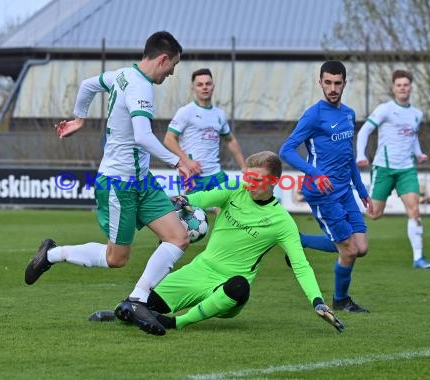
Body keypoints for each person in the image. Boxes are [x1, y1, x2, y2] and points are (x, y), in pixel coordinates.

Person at [24, 31, 194, 336]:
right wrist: (178, 162)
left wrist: (79, 117)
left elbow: (89, 85)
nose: (172, 73)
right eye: (173, 66)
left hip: (142, 180)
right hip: (119, 183)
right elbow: (142, 136)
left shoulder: (123, 75)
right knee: (117, 259)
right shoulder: (141, 87)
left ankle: (138, 300)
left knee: (178, 237)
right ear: (163, 58)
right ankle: (50, 254)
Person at [94, 151, 344, 334]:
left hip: (227, 288)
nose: (249, 184)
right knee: (138, 304)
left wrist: (317, 300)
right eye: (248, 178)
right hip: (199, 270)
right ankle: (116, 315)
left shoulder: (283, 222)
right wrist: (184, 199)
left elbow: (301, 265)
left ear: (273, 182)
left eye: (256, 180)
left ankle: (177, 322)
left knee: (240, 286)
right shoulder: (235, 190)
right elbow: (203, 197)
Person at [279, 60, 373, 313]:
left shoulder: (349, 114)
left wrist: (362, 191)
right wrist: (315, 173)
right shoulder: (314, 114)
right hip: (322, 193)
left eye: (337, 83)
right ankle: (341, 300)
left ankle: (299, 241)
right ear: (320, 82)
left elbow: (349, 156)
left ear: (345, 83)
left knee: (360, 247)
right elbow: (286, 150)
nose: (332, 88)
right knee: (349, 250)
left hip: (345, 191)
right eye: (328, 83)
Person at [356, 69, 430, 269]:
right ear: (393, 88)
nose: (402, 88)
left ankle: (418, 258)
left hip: (407, 169)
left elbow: (412, 136)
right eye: (399, 85)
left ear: (410, 88)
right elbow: (365, 130)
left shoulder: (417, 114)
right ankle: (349, 211)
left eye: (406, 85)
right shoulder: (385, 109)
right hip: (384, 168)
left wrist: (419, 153)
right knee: (374, 214)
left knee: (414, 210)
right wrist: (361, 155)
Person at [164, 68, 246, 194]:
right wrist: (187, 161)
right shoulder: (186, 112)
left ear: (213, 86)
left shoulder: (220, 115)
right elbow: (169, 139)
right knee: (192, 213)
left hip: (215, 174)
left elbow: (230, 140)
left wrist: (243, 166)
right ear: (193, 88)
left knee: (228, 210)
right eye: (200, 84)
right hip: (191, 176)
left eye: (208, 84)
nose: (204, 87)